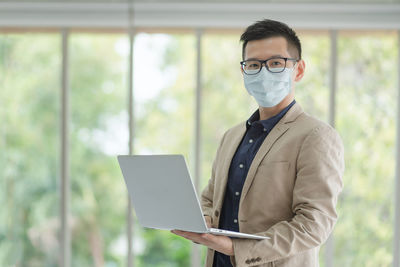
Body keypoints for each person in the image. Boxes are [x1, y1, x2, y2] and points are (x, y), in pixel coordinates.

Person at [172, 19, 344, 267]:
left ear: (298, 70)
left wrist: (237, 248)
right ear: (244, 71)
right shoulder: (231, 136)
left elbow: (314, 224)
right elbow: (210, 199)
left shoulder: (316, 136)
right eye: (253, 64)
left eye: (275, 63)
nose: (263, 72)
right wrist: (204, 222)